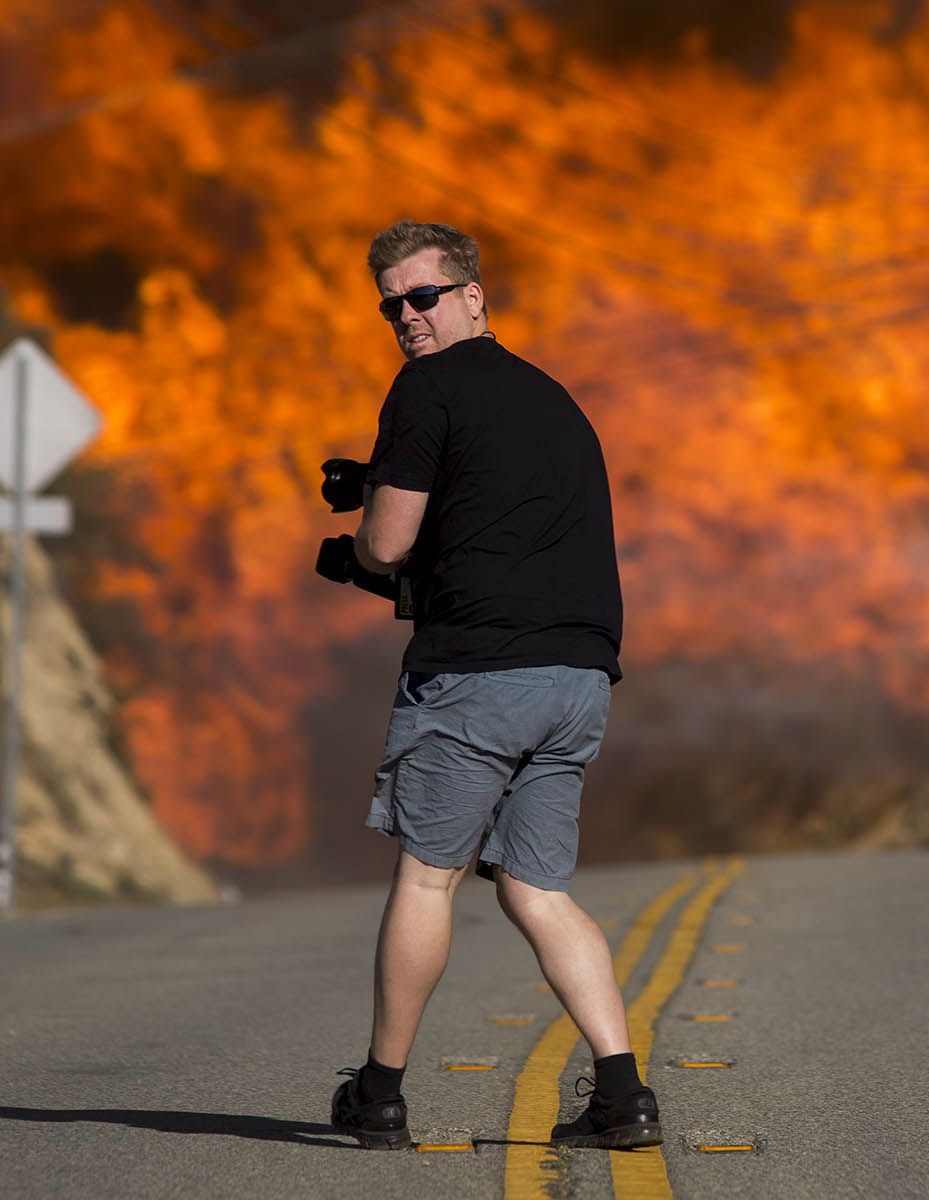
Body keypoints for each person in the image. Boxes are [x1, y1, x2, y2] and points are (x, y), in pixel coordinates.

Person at [328, 219, 658, 1151]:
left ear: (473, 294)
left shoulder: (427, 388)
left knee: (428, 881)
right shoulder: (554, 400)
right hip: (578, 679)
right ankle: (624, 1096)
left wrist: (355, 555)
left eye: (423, 296)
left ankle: (381, 1094)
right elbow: (495, 525)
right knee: (536, 889)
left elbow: (389, 544)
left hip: (479, 677)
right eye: (391, 304)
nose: (406, 317)